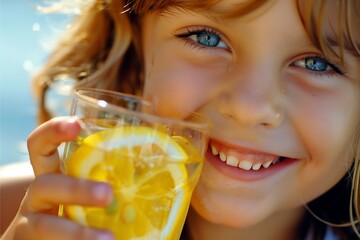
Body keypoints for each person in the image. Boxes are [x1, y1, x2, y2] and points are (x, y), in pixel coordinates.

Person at [2, 0, 360, 239]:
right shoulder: (14, 210)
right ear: (136, 45)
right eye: (207, 38)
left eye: (318, 63)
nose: (249, 107)